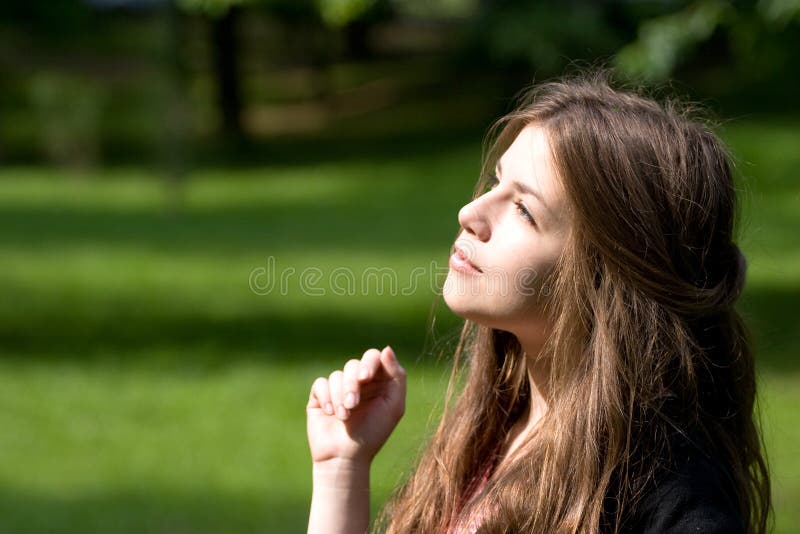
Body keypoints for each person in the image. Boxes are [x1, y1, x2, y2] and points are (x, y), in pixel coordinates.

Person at [305, 71, 771, 533]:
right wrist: (339, 470)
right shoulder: (498, 428)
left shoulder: (668, 494)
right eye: (495, 182)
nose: (470, 214)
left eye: (524, 210)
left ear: (606, 276)